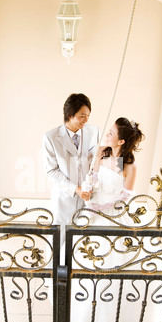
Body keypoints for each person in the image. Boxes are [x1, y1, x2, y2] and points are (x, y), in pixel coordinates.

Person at [71, 118, 162, 322]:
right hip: (93, 211)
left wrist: (101, 206)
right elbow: (92, 179)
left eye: (112, 133)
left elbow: (124, 200)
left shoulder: (129, 166)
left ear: (121, 141)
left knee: (113, 264)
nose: (107, 135)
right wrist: (87, 191)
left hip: (114, 217)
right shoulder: (102, 153)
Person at [43, 93, 99, 236]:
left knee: (82, 239)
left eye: (88, 115)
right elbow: (52, 171)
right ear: (70, 115)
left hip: (87, 196)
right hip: (64, 196)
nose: (86, 120)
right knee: (59, 236)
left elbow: (97, 160)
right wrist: (75, 189)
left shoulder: (93, 132)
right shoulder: (51, 137)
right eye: (82, 115)